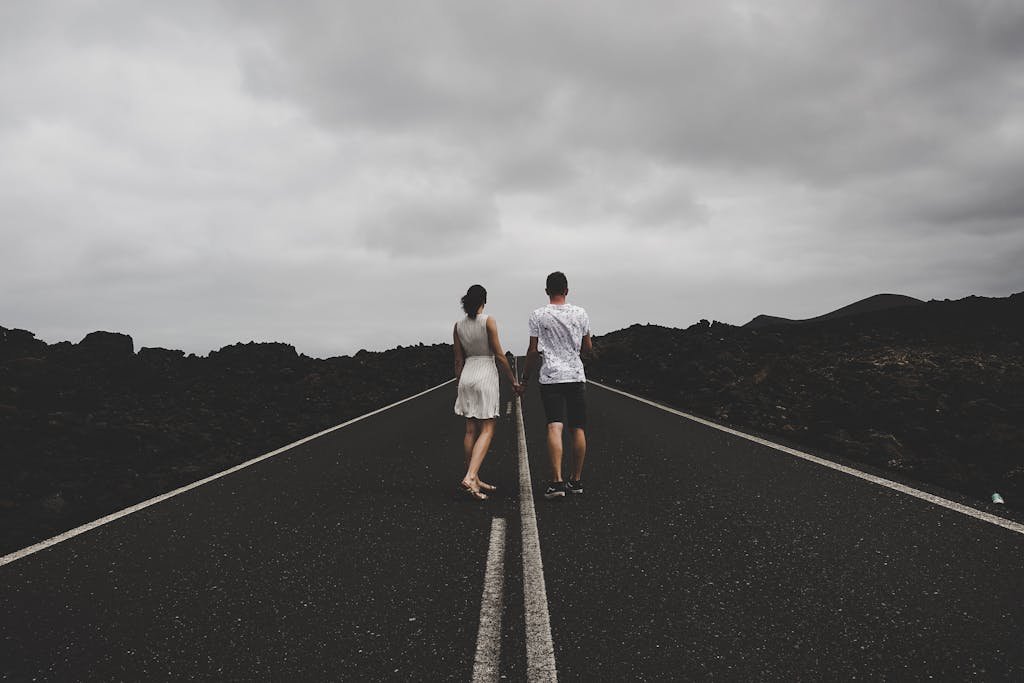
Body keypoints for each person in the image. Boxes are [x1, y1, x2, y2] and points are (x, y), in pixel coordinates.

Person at [522, 271, 593, 499]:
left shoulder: (538, 315)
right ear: (567, 290)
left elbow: (533, 351)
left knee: (555, 426)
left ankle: (557, 483)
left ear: (546, 291)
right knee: (578, 428)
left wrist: (524, 379)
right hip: (575, 375)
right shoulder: (580, 313)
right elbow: (587, 347)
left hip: (551, 376)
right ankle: (576, 480)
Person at [453, 284, 521, 500]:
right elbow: (500, 355)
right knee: (488, 427)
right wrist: (513, 381)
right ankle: (471, 476)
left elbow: (457, 359)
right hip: (485, 373)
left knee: (471, 429)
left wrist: (459, 383)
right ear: (484, 301)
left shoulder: (458, 325)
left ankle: (474, 477)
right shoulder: (488, 321)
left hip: (467, 375)